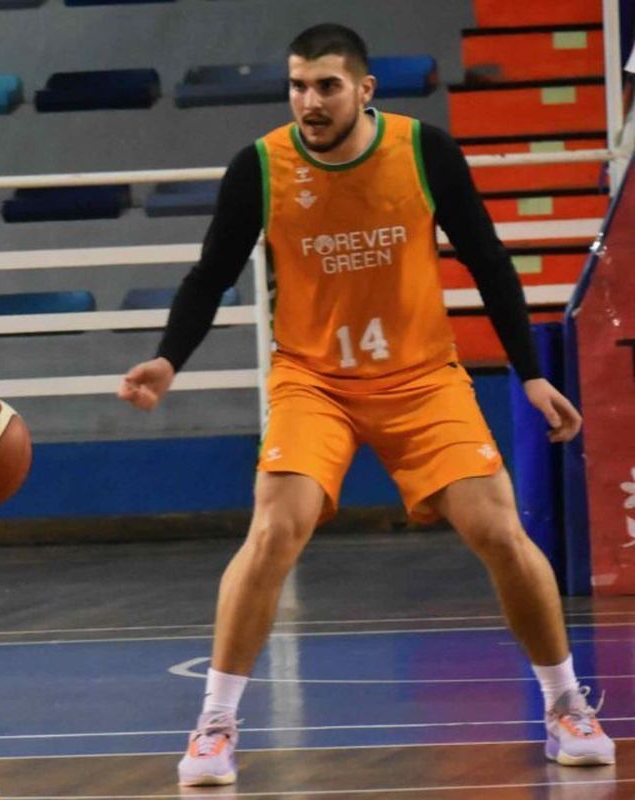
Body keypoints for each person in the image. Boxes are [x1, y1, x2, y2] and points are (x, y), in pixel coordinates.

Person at [116, 23, 614, 787]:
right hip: (314, 380)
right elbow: (209, 275)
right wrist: (167, 358)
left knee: (501, 531)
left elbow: (486, 259)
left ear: (365, 89)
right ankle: (216, 722)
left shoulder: (424, 151)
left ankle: (567, 705)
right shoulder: (261, 167)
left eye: (326, 86)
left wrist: (530, 373)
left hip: (420, 377)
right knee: (276, 528)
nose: (308, 102)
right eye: (297, 86)